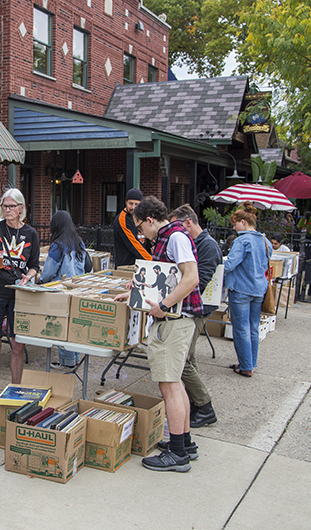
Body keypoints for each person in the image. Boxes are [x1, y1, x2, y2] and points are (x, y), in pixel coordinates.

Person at [115, 196, 204, 472]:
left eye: (140, 226)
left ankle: (177, 453)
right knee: (175, 384)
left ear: (150, 220)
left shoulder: (175, 237)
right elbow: (165, 279)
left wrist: (163, 306)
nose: (141, 233)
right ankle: (184, 442)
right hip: (176, 320)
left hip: (174, 321)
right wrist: (135, 291)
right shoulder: (170, 237)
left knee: (169, 386)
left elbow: (191, 278)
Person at [0, 188, 40, 420]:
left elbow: (34, 265)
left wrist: (28, 276)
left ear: (21, 208)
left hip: (19, 293)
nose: (8, 210)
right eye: (5, 206)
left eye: (12, 206)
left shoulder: (30, 233)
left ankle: (16, 393)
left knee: (18, 345)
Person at [166, 204, 223, 428]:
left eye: (176, 227)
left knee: (184, 362)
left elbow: (200, 281)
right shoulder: (196, 242)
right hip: (191, 307)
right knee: (188, 358)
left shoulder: (207, 246)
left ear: (188, 223)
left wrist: (173, 297)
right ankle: (196, 403)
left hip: (197, 309)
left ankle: (205, 406)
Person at [224, 202, 271, 378]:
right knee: (253, 328)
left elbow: (230, 265)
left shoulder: (241, 241)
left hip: (241, 288)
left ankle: (245, 366)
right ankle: (249, 362)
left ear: (243, 222)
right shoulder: (265, 240)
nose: (234, 227)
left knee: (241, 328)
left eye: (235, 224)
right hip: (259, 288)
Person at [39, 210, 87, 367]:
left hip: (61, 290)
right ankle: (76, 357)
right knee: (73, 325)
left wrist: (40, 280)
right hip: (78, 288)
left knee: (61, 325)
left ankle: (67, 361)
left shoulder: (58, 245)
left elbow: (48, 271)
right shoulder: (79, 241)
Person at [113, 188, 152, 267]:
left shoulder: (142, 216)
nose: (133, 207)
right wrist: (152, 261)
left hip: (141, 263)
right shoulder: (122, 220)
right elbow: (134, 245)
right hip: (126, 266)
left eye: (136, 204)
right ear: (126, 202)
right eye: (130, 203)